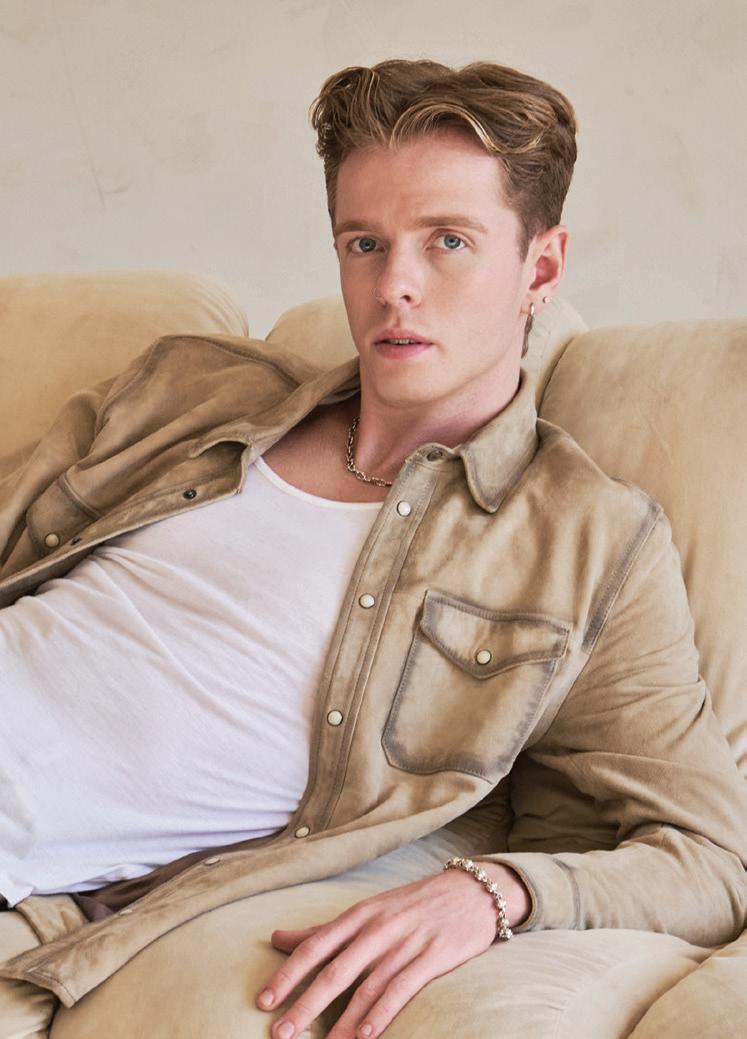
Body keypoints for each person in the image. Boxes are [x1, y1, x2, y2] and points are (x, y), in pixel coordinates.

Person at [0, 58, 745, 1039]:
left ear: (541, 268)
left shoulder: (586, 544)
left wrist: (493, 893)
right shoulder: (190, 390)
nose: (394, 286)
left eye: (448, 242)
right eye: (365, 243)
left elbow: (709, 860)